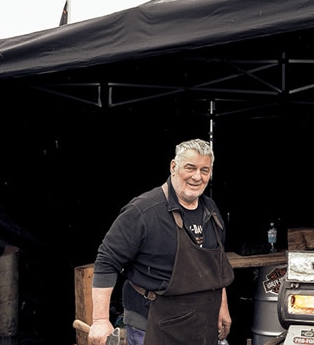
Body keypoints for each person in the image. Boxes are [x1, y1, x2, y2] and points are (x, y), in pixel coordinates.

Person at [89, 139, 234, 345]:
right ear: (173, 167)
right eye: (190, 168)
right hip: (153, 326)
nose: (197, 176)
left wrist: (222, 306)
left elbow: (215, 264)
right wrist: (100, 320)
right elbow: (107, 260)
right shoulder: (144, 211)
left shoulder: (210, 210)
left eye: (204, 170)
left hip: (203, 325)